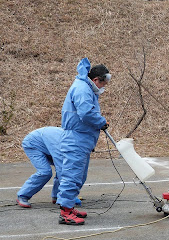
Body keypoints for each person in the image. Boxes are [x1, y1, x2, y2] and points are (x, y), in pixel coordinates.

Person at [56, 58, 110, 225]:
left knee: (79, 175)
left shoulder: (85, 88)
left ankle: (70, 206)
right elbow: (86, 113)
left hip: (82, 139)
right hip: (75, 139)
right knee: (72, 175)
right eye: (103, 83)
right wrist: (101, 122)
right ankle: (65, 212)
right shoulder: (82, 89)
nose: (103, 87)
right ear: (95, 80)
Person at [16, 127, 83, 208]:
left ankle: (57, 195)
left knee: (64, 167)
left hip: (46, 144)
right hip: (32, 144)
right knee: (45, 172)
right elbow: (62, 169)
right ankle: (23, 195)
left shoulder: (71, 141)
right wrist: (68, 196)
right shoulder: (61, 144)